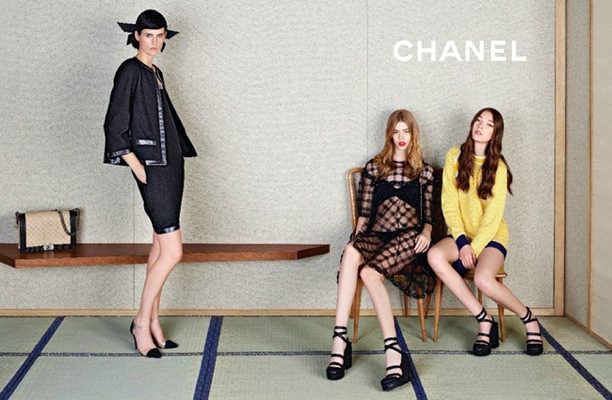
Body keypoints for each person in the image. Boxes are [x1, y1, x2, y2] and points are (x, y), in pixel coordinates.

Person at [103, 9, 197, 358]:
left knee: (159, 247)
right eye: (148, 35)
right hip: (153, 168)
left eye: (160, 36)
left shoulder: (155, 72)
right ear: (136, 36)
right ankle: (141, 323)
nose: (154, 42)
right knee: (174, 251)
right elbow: (114, 124)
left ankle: (154, 322)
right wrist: (137, 166)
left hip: (170, 165)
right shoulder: (129, 70)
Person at [327, 109, 435, 391]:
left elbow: (428, 217)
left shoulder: (423, 171)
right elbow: (364, 216)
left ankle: (393, 351)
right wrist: (354, 241)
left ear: (413, 134)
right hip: (377, 235)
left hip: (409, 238)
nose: (401, 137)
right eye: (396, 131)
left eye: (406, 131)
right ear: (389, 134)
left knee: (370, 274)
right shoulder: (374, 168)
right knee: (352, 253)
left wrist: (426, 233)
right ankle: (339, 339)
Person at [427, 107, 543, 357]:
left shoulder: (498, 168)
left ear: (495, 134)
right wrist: (462, 242)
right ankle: (483, 318)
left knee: (482, 280)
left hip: (491, 237)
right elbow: (449, 203)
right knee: (434, 256)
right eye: (478, 120)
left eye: (489, 124)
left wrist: (474, 247)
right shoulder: (454, 156)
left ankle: (529, 318)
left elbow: (492, 218)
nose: (480, 126)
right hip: (461, 235)